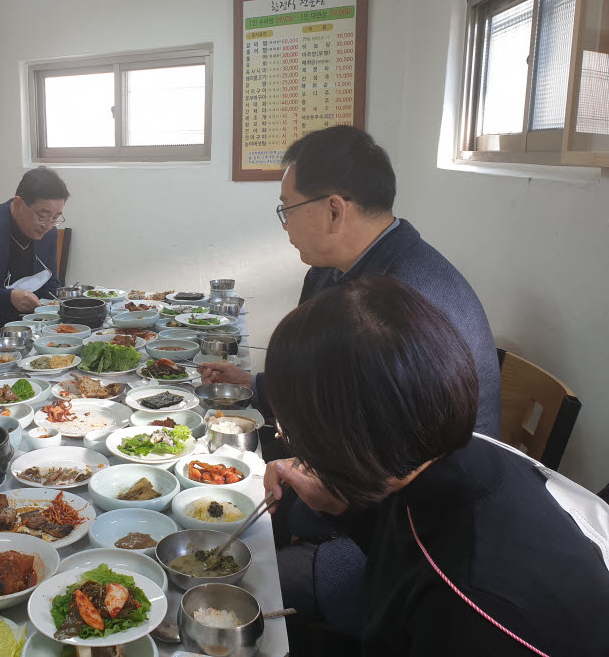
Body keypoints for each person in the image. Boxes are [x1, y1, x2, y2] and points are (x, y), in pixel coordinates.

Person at [199, 125, 501, 647]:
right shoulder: (339, 267)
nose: (285, 226)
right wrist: (257, 383)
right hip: (357, 481)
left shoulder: (404, 300)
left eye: (287, 208)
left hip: (409, 536)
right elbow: (328, 381)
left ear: (335, 209)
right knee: (226, 504)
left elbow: (393, 477)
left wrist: (315, 495)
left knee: (229, 582)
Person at [260, 277, 609, 656]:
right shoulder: (447, 454)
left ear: (346, 439)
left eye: (288, 430)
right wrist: (343, 505)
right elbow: (401, 549)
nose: (289, 440)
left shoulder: (471, 605)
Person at [0, 167, 68, 332]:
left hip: (36, 324)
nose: (48, 225)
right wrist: (9, 297)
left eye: (56, 217)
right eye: (42, 216)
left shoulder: (49, 232)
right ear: (19, 204)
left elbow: (51, 285)